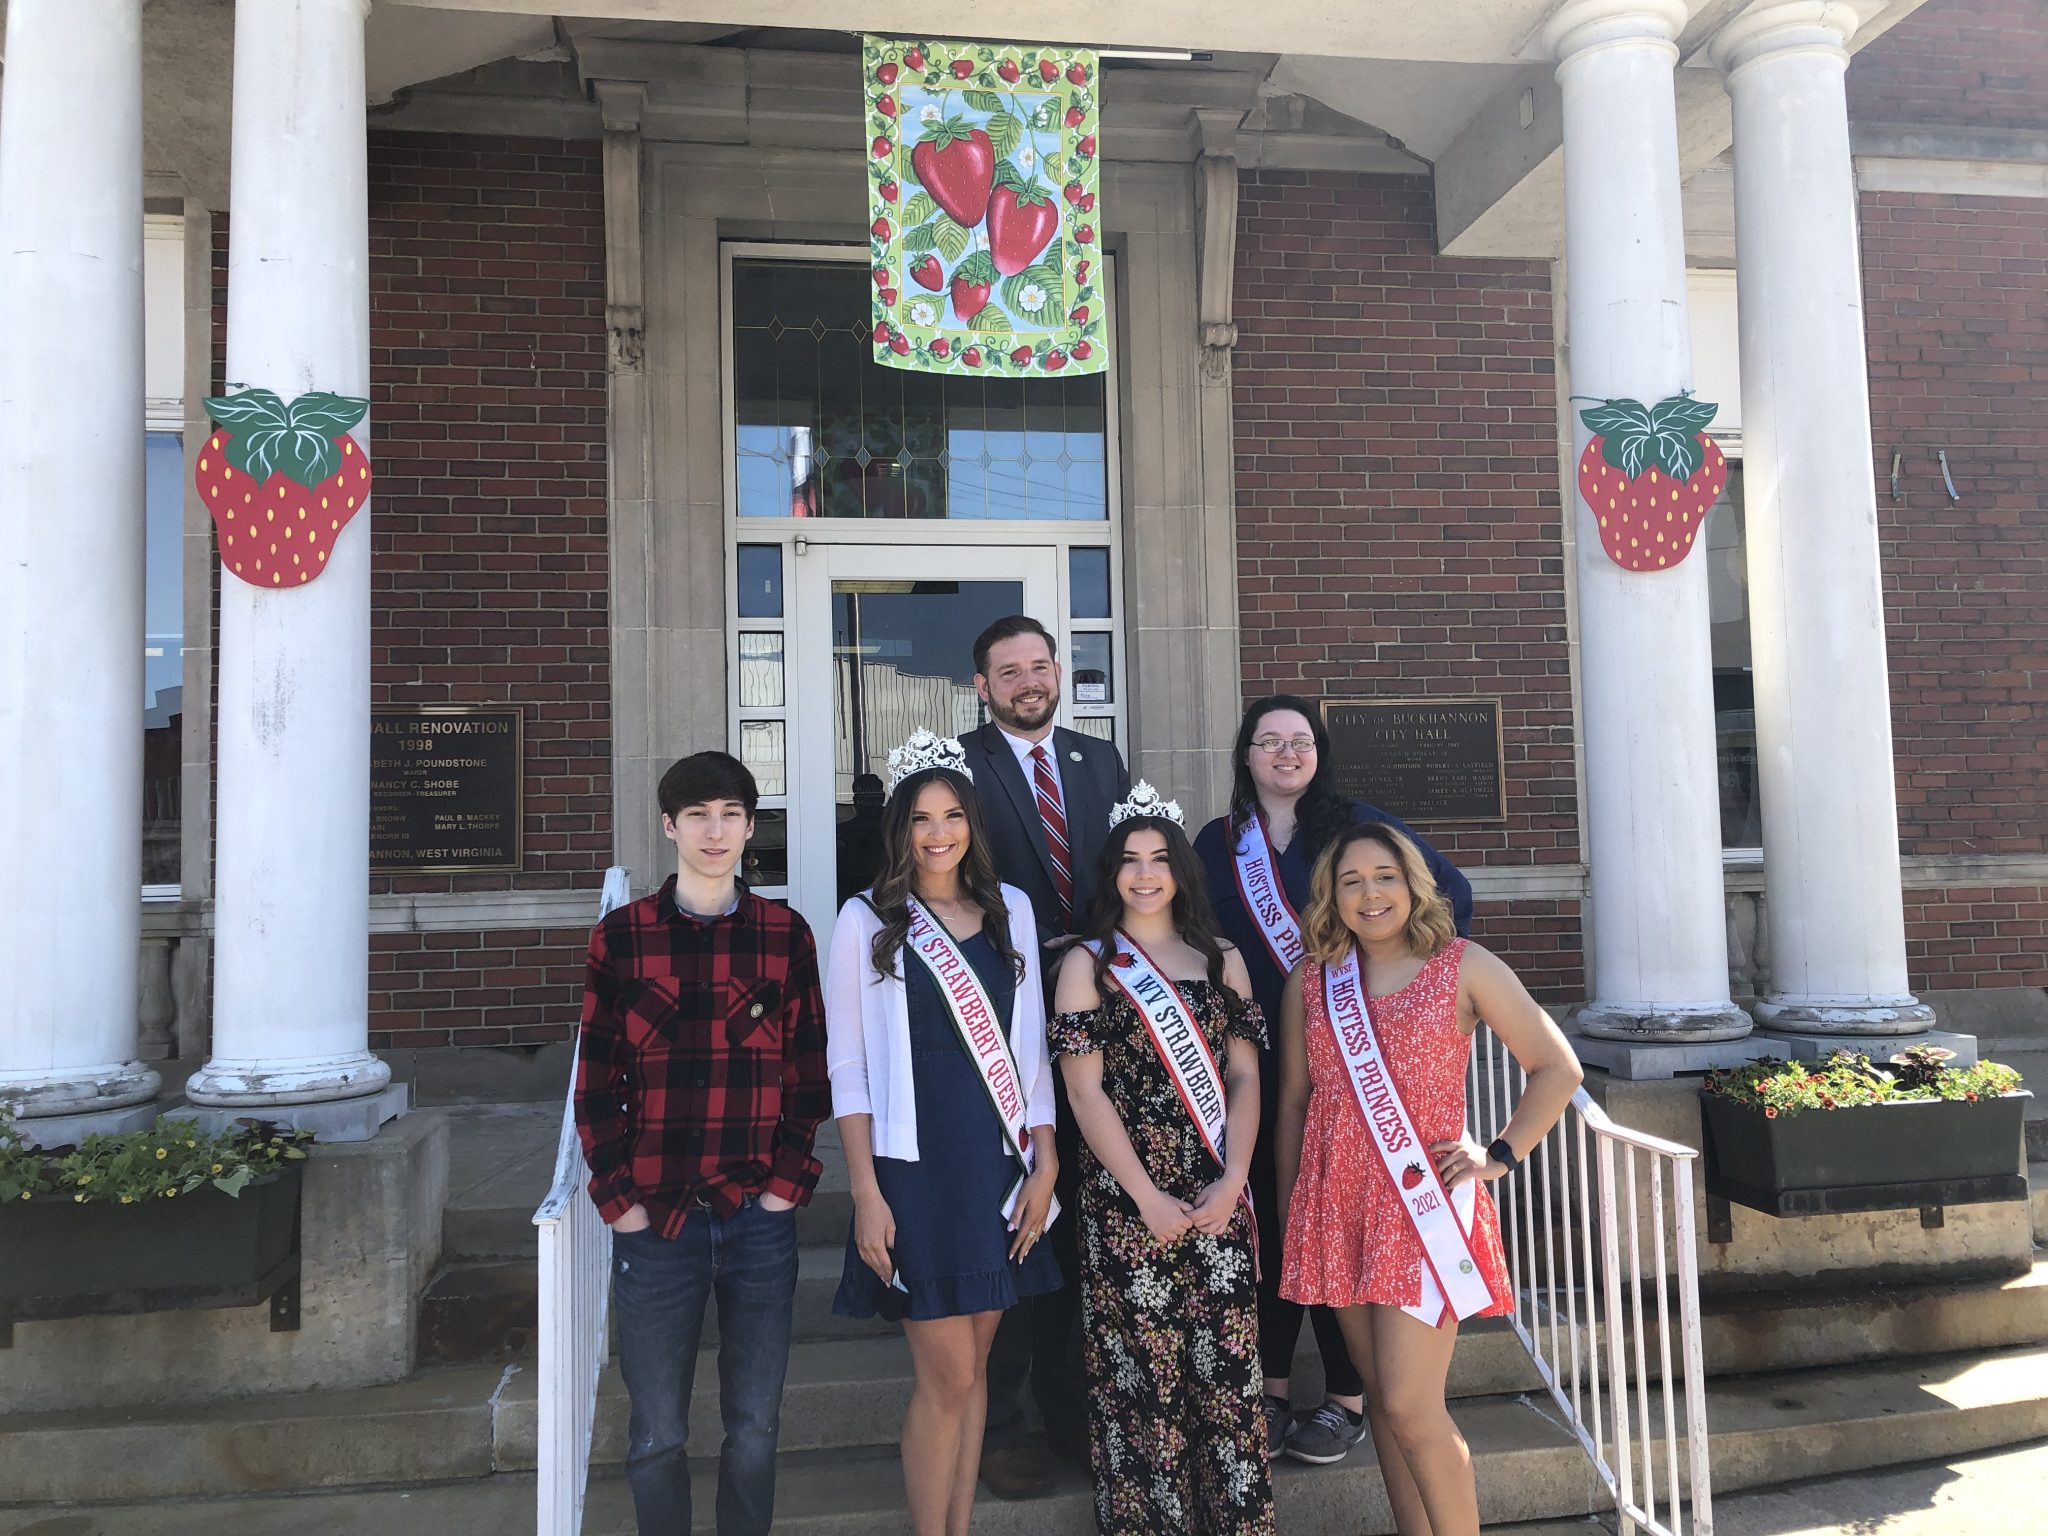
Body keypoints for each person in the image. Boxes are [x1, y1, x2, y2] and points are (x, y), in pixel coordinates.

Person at [1274, 823, 1581, 1536]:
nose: (1370, 894)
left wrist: (1498, 1155)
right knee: (1383, 1401)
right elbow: (1294, 1101)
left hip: (1422, 1207)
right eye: (1351, 881)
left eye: (1385, 876)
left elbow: (1556, 1068)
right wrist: (1295, 1209)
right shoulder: (1312, 981)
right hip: (1339, 1205)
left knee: (1412, 1405)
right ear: (1331, 896)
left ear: (1413, 884)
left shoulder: (1463, 964)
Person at [1192, 694, 1474, 1465]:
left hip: (1351, 1068)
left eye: (1301, 741)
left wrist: (1401, 987)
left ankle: (1348, 1398)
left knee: (1344, 1231)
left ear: (1319, 754)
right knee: (1273, 1223)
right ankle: (1272, 1389)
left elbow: (1450, 895)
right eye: (1269, 741)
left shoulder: (1356, 826)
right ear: (1245, 755)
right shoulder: (1217, 843)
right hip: (1251, 1069)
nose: (1286, 754)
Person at [573, 751, 829, 1536]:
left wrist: (784, 1190)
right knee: (657, 1435)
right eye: (697, 816)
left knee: (754, 1428)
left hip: (757, 1220)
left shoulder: (785, 937)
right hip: (656, 1223)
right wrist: (618, 1204)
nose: (714, 832)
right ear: (669, 826)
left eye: (730, 816)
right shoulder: (622, 938)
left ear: (750, 828)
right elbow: (595, 1083)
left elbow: (807, 1076)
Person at [825, 730, 1063, 1536]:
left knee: (976, 1370)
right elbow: (848, 1065)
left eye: (953, 815)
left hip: (996, 1163)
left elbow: (1030, 1052)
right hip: (913, 1171)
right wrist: (865, 1192)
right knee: (947, 1376)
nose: (938, 833)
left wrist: (1045, 1165)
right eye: (922, 818)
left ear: (972, 824)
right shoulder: (865, 919)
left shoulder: (1011, 911)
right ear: (900, 828)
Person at [1050, 784, 1275, 1535]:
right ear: (1110, 872)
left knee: (1227, 1381)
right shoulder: (1088, 964)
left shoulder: (1222, 959)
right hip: (1126, 1202)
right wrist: (1145, 1195)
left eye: (1159, 859)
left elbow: (1245, 1078)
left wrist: (1235, 1178)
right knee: (1142, 1388)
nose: (1144, 874)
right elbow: (1083, 1093)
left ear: (1181, 869)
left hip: (1218, 1195)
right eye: (1129, 860)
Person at [957, 614, 1130, 1497]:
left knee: (1079, 1221)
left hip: (1096, 1022)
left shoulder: (1100, 762)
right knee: (1015, 1217)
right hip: (1000, 1023)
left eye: (1040, 665)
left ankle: (1071, 1410)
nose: (1029, 682)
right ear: (981, 686)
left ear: (1058, 672)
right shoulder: (958, 768)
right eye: (1009, 671)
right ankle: (1004, 1422)